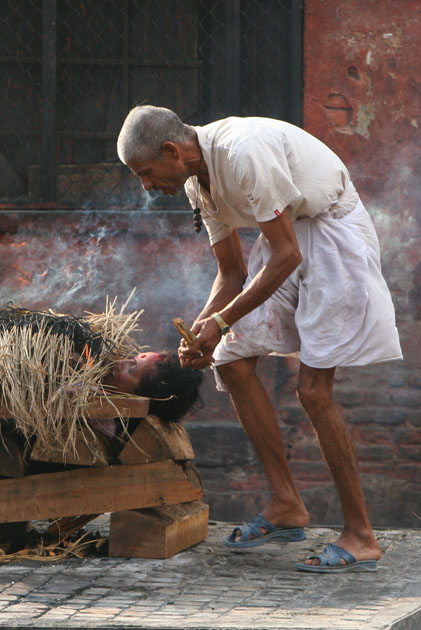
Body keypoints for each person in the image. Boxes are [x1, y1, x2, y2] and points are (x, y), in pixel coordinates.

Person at [117, 105, 402, 573]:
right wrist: (199, 332)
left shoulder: (243, 153)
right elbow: (231, 274)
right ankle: (287, 504)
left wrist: (221, 322)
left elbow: (287, 255)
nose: (147, 186)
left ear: (172, 150)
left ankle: (362, 536)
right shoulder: (196, 182)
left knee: (312, 391)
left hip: (332, 236)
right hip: (286, 244)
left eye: (146, 173)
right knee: (228, 359)